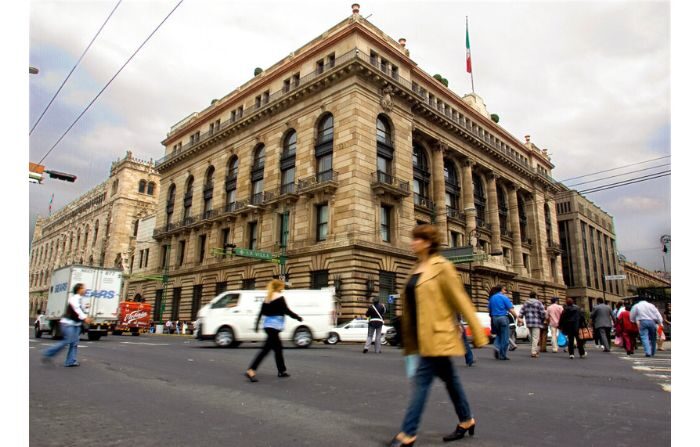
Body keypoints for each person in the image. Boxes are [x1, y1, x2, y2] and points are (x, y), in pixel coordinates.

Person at [390, 224, 487, 446]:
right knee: (451, 380)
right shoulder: (415, 268)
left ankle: (408, 433)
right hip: (418, 336)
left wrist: (479, 334)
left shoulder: (442, 267)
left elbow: (460, 299)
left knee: (421, 382)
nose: (412, 242)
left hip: (436, 336)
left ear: (428, 242)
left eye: (417, 239)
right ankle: (466, 420)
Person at [245, 279, 303, 382]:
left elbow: (261, 313)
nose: (283, 288)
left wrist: (257, 325)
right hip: (274, 327)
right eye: (282, 286)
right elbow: (286, 311)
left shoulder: (268, 298)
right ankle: (251, 370)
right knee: (266, 350)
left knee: (278, 349)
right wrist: (298, 317)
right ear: (278, 287)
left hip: (268, 326)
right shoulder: (280, 297)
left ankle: (281, 371)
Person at [42, 283, 92, 367]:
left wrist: (86, 307)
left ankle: (70, 361)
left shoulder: (81, 299)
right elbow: (77, 309)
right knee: (68, 341)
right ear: (79, 289)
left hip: (76, 324)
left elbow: (81, 308)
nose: (85, 290)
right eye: (84, 288)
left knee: (74, 343)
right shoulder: (73, 299)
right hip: (68, 324)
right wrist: (85, 318)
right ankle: (48, 352)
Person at [488, 285, 518, 361]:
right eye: (504, 290)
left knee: (499, 334)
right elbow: (511, 309)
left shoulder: (491, 298)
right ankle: (502, 355)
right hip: (503, 318)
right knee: (505, 337)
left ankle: (496, 347)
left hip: (495, 319)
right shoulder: (504, 297)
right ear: (501, 290)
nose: (505, 291)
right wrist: (518, 318)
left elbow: (489, 310)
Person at [518, 292, 546, 358]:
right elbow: (543, 313)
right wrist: (542, 319)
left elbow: (521, 312)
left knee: (532, 337)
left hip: (529, 322)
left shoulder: (525, 303)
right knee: (535, 337)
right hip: (537, 322)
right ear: (535, 296)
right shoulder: (539, 303)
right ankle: (534, 352)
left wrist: (520, 319)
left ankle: (534, 349)